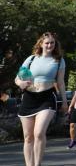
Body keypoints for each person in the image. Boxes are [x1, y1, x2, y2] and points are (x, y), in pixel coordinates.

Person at [15, 32, 67, 166]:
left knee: (38, 133)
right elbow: (17, 78)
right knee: (28, 137)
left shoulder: (59, 60)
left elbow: (60, 82)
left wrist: (65, 102)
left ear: (55, 44)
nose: (50, 45)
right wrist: (20, 83)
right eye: (47, 43)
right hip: (29, 98)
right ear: (41, 44)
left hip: (47, 98)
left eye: (52, 43)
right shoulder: (31, 59)